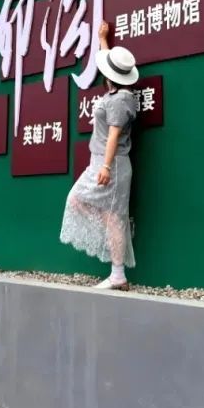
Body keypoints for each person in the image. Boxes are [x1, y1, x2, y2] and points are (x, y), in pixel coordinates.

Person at [60, 22, 140, 290]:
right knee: (80, 201)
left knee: (114, 217)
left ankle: (118, 275)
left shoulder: (121, 99)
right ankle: (116, 263)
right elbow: (109, 67)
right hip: (100, 162)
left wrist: (105, 166)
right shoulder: (115, 91)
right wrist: (103, 39)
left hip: (112, 164)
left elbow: (114, 135)